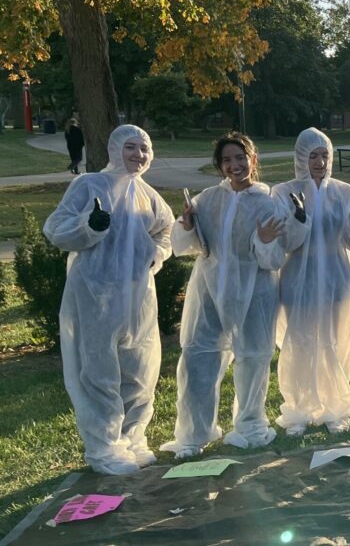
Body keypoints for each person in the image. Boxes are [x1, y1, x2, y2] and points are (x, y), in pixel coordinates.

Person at [44, 125, 174, 474]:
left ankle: (133, 439)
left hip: (138, 296)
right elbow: (55, 229)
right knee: (99, 371)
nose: (139, 155)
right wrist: (89, 225)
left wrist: (154, 256)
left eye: (144, 149)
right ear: (115, 149)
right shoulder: (89, 185)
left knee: (140, 370)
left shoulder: (147, 194)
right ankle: (104, 447)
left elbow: (166, 229)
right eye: (131, 147)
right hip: (95, 294)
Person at [162, 132, 296, 459]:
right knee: (198, 357)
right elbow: (190, 246)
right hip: (209, 291)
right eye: (226, 160)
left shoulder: (269, 204)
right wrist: (186, 225)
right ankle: (195, 432)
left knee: (253, 357)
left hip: (255, 293)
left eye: (239, 158)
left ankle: (249, 425)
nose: (234, 165)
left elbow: (273, 260)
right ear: (219, 166)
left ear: (253, 160)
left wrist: (265, 239)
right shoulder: (207, 200)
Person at [272, 128, 350, 435]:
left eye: (325, 155)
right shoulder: (283, 192)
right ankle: (299, 410)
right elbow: (284, 243)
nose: (320, 163)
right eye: (313, 156)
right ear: (301, 158)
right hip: (298, 279)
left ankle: (335, 407)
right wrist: (299, 219)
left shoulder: (344, 192)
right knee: (300, 343)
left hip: (336, 277)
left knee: (336, 340)